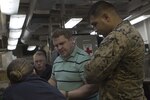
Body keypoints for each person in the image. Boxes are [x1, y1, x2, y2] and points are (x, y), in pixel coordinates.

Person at [84, 1, 147, 100]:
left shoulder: (117, 36)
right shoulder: (130, 30)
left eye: (95, 24)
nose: (95, 29)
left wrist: (89, 63)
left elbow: (91, 74)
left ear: (106, 17)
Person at [49, 28, 98, 100]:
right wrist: (45, 88)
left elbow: (90, 87)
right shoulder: (57, 60)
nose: (59, 48)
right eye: (56, 46)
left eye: (62, 43)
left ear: (71, 40)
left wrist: (66, 95)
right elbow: (53, 80)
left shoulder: (83, 59)